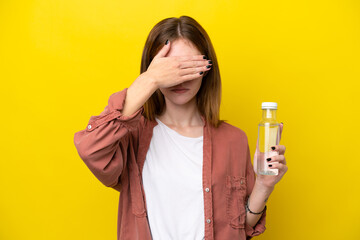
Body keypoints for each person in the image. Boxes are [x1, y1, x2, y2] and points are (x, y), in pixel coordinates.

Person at [73, 15, 288, 240]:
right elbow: (90, 148)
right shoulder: (131, 137)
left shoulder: (233, 140)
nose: (180, 79)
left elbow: (238, 227)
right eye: (170, 69)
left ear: (206, 69)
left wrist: (264, 185)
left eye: (189, 67)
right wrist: (150, 80)